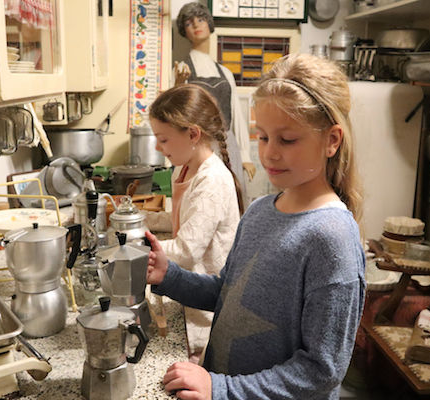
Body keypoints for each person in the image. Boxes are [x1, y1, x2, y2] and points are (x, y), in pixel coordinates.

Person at [145, 53, 366, 400]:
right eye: (262, 138)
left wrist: (222, 388)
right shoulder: (262, 210)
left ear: (332, 141)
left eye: (287, 140)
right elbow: (228, 294)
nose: (269, 154)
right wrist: (169, 277)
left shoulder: (331, 237)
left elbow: (321, 370)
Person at [145, 84, 244, 363]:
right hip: (186, 292)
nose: (156, 146)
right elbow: (186, 219)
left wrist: (134, 247)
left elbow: (187, 251)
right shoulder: (185, 165)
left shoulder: (211, 180)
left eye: (163, 139)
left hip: (205, 311)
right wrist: (142, 220)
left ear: (192, 134)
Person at [174, 2, 256, 208]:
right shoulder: (182, 69)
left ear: (209, 24)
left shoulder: (225, 72)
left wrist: (245, 155)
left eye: (201, 20)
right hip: (199, 145)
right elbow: (175, 114)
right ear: (184, 31)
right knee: (206, 201)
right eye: (189, 23)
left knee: (234, 200)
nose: (196, 25)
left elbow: (236, 115)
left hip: (229, 144)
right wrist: (178, 84)